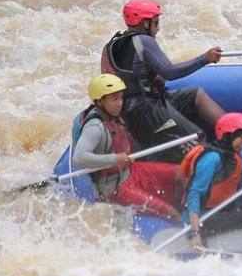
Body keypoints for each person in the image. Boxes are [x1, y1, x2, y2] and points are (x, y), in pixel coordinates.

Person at [101, 0, 226, 160]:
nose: (158, 28)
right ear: (143, 23)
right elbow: (169, 72)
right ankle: (215, 174)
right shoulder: (144, 41)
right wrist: (205, 59)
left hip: (135, 107)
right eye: (156, 22)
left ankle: (232, 130)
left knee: (196, 95)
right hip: (144, 109)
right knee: (197, 137)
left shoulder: (110, 46)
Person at [72, 74, 184, 223]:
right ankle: (191, 233)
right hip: (114, 188)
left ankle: (193, 206)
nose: (120, 103)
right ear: (100, 101)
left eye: (121, 97)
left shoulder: (112, 115)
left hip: (130, 171)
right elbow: (78, 158)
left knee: (181, 172)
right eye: (114, 99)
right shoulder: (95, 127)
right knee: (171, 212)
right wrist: (115, 159)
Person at [180, 113, 242, 248]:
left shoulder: (234, 156)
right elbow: (194, 194)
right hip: (202, 219)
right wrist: (195, 232)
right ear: (228, 135)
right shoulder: (212, 158)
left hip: (219, 211)